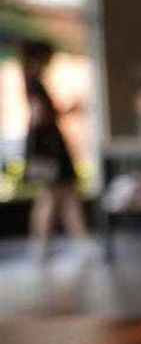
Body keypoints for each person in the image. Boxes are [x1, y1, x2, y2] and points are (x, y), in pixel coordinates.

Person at [21, 40, 90, 259]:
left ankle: (75, 241)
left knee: (63, 194)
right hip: (48, 148)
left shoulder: (32, 81)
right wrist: (66, 110)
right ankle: (42, 245)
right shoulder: (34, 83)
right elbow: (40, 117)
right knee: (53, 195)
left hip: (46, 147)